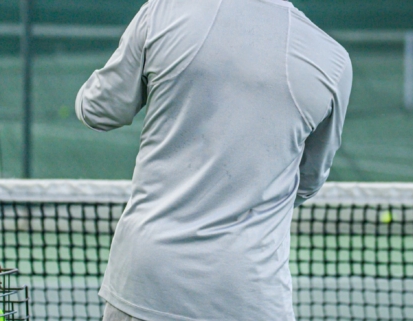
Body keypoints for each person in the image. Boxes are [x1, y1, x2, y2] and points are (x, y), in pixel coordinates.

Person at [75, 0, 352, 320]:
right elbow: (307, 183)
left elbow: (99, 110)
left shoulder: (164, 10)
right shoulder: (333, 61)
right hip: (251, 295)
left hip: (146, 282)